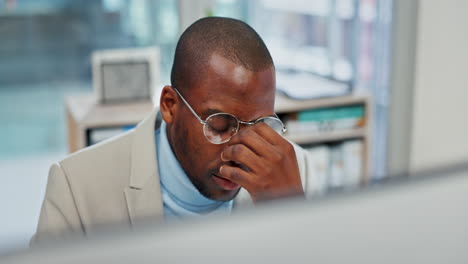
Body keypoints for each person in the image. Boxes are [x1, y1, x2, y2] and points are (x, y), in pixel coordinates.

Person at [32, 17, 320, 243]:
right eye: (219, 125)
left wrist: (290, 216)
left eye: (259, 126)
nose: (241, 153)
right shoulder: (76, 187)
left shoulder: (296, 172)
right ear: (170, 105)